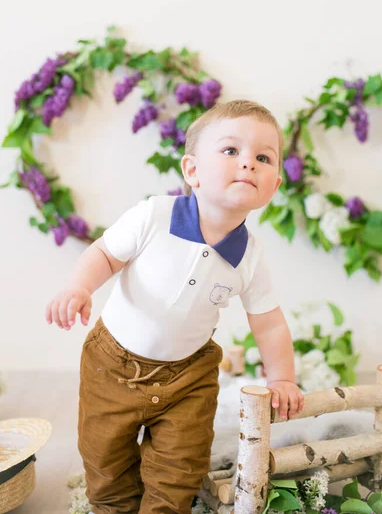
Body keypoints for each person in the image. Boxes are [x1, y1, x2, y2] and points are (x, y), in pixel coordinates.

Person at [45, 99, 304, 514]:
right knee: (105, 460)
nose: (248, 164)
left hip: (189, 375)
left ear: (274, 186)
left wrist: (283, 378)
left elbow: (269, 323)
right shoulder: (154, 215)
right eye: (231, 150)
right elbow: (105, 255)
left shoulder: (251, 257)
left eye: (263, 157)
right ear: (192, 171)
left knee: (180, 467)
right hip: (112, 365)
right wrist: (79, 288)